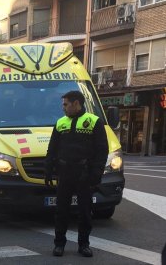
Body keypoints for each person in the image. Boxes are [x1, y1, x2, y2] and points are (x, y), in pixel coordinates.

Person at [45, 91, 108, 258]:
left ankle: (84, 244)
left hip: (84, 174)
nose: (63, 107)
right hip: (65, 173)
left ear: (76, 103)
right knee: (61, 211)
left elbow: (102, 150)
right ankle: (59, 244)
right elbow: (52, 149)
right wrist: (48, 170)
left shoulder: (93, 122)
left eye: (66, 104)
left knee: (85, 212)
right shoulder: (60, 123)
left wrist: (96, 173)